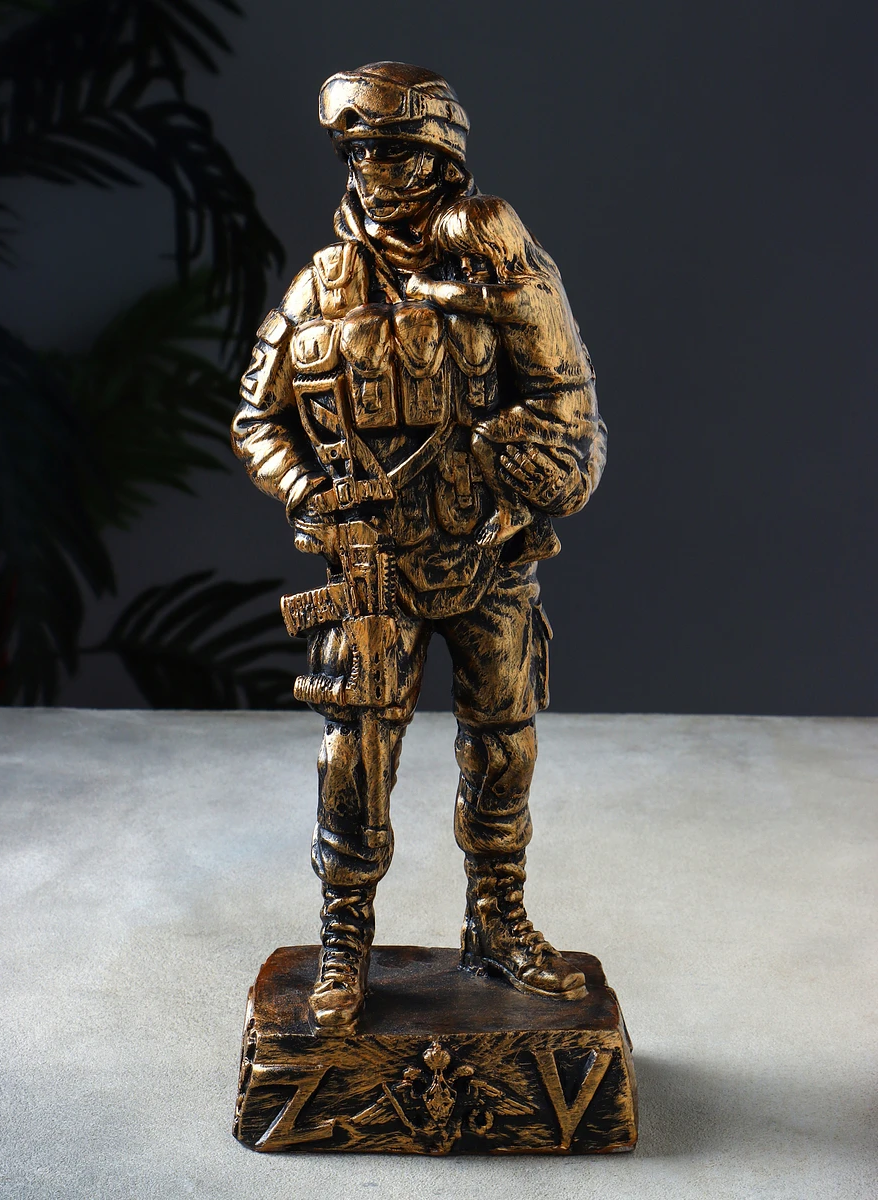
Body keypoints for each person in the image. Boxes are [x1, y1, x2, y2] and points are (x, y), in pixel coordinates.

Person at [231, 61, 607, 1030]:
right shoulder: (323, 286)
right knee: (353, 758)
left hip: (492, 554)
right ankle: (344, 941)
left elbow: (573, 414)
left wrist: (542, 480)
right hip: (374, 572)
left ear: (441, 161)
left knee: (505, 745)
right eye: (360, 154)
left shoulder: (506, 269)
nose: (373, 172)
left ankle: (498, 920)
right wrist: (310, 493)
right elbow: (256, 418)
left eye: (394, 154)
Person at [406, 194, 600, 547]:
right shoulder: (544, 274)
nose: (465, 266)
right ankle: (539, 536)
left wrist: (426, 287)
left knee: (485, 436)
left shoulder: (527, 294)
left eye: (475, 256)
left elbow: (473, 300)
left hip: (556, 407)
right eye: (460, 258)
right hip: (573, 402)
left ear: (501, 248)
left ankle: (512, 511)